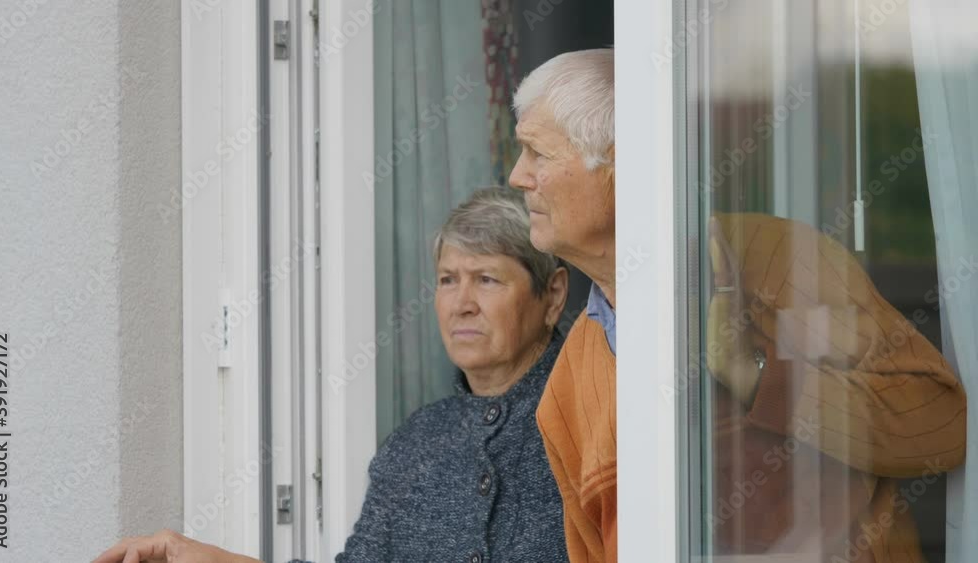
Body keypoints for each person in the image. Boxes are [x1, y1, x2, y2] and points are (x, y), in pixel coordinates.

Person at [508, 48, 966, 563]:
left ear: (619, 163)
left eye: (537, 153)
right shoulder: (568, 383)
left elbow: (943, 423)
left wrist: (756, 375)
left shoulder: (782, 262)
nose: (517, 176)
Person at [91, 187, 572, 563]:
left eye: (486, 279)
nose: (461, 304)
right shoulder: (416, 444)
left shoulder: (590, 421)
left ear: (551, 297)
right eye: (448, 280)